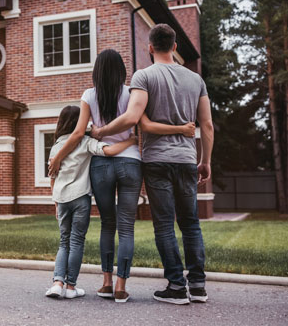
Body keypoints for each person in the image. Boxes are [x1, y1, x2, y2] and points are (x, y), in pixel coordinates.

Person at [48, 49, 194, 303]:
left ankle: (105, 283)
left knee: (107, 223)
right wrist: (134, 139)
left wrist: (59, 156)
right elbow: (142, 123)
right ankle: (120, 287)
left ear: (96, 71)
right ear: (122, 71)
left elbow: (79, 133)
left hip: (101, 165)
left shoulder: (89, 95)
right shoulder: (131, 93)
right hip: (130, 162)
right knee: (126, 227)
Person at [89, 24, 214, 305]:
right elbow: (206, 124)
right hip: (186, 160)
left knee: (165, 225)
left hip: (157, 160)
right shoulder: (196, 79)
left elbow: (133, 118)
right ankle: (198, 286)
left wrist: (101, 131)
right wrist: (205, 160)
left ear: (150, 47)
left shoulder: (144, 76)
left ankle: (176, 286)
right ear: (175, 46)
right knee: (191, 224)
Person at [45, 105, 138, 300]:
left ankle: (57, 283)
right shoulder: (86, 142)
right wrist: (130, 141)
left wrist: (55, 202)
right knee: (76, 241)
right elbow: (109, 151)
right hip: (80, 198)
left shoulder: (56, 146)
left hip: (61, 199)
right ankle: (71, 287)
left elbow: (52, 177)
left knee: (64, 242)